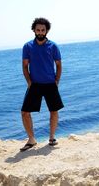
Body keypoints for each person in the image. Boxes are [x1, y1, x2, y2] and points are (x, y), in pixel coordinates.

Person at [20, 17, 64, 151]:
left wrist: (57, 81)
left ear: (46, 31)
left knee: (54, 111)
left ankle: (52, 137)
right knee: (25, 112)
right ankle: (32, 139)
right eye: (38, 30)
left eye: (43, 30)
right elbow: (25, 66)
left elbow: (59, 65)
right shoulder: (28, 46)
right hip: (35, 85)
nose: (40, 32)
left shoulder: (53, 46)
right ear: (34, 30)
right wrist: (29, 82)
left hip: (50, 83)